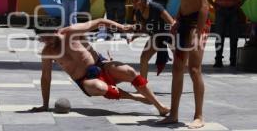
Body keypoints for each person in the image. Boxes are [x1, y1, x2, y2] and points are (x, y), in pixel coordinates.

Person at [29, 18, 170, 116]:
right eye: (42, 39)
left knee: (129, 71)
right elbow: (46, 78)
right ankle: (135, 97)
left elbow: (99, 22)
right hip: (86, 81)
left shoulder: (71, 32)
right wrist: (45, 105)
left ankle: (160, 106)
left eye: (48, 37)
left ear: (55, 31)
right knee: (100, 87)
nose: (46, 41)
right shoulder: (47, 52)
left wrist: (122, 27)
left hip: (101, 65)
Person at [157, 0, 210, 129]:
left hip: (198, 22)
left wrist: (199, 31)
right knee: (178, 68)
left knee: (194, 70)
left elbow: (204, 6)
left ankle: (199, 116)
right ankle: (174, 114)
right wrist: (177, 20)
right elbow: (186, 0)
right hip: (184, 22)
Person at [207, 0, 254, 67]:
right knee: (219, 36)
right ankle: (218, 59)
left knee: (234, 36)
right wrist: (213, 4)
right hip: (221, 11)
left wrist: (241, 2)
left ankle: (233, 59)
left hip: (233, 11)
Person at [128, 0, 175, 78]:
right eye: (132, 1)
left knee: (181, 62)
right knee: (144, 58)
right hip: (156, 36)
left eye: (136, 1)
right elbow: (143, 29)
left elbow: (171, 23)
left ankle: (194, 74)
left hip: (169, 34)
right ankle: (143, 86)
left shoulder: (155, 7)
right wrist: (133, 37)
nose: (133, 3)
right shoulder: (138, 13)